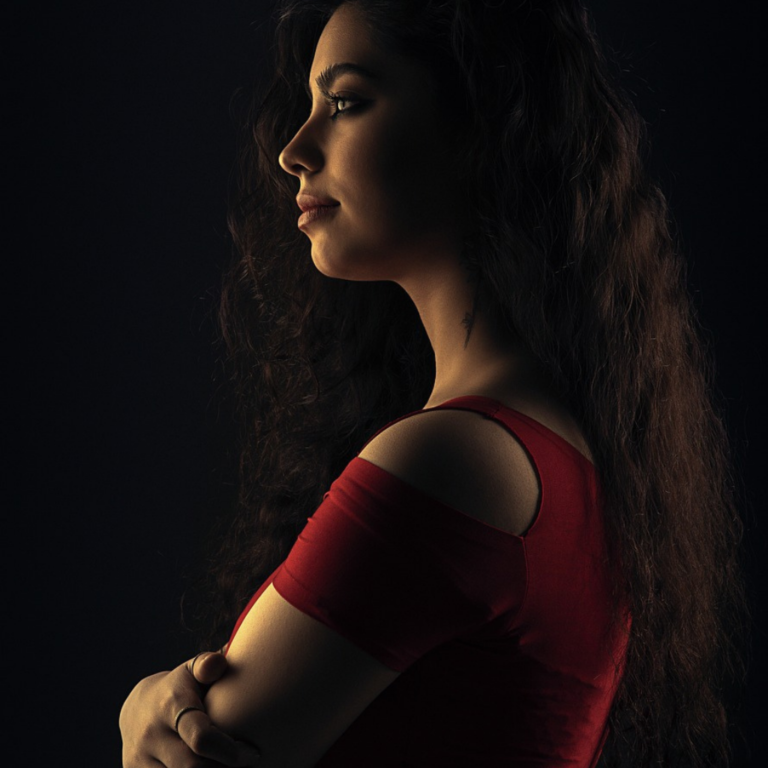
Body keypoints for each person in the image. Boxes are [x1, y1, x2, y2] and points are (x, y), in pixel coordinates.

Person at [119, 1, 748, 766]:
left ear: (480, 123)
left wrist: (140, 715)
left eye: (345, 102)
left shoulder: (455, 462)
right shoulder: (554, 455)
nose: (293, 150)